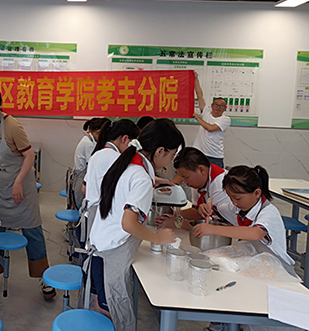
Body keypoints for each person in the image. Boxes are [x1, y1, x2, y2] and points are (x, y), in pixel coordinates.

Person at [83, 119, 184, 330]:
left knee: (103, 305)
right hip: (111, 251)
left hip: (101, 245)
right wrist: (157, 237)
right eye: (172, 154)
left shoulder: (127, 163)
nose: (171, 161)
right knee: (113, 312)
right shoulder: (140, 177)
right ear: (160, 151)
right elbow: (128, 223)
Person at [0, 85, 55, 299]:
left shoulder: (12, 126)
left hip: (21, 187)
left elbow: (29, 156)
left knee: (33, 231)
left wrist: (18, 182)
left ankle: (43, 277)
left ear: (0, 105)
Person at [194, 165, 296, 278]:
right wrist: (205, 208)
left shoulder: (268, 212)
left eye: (238, 198)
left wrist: (213, 229)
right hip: (255, 261)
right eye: (230, 197)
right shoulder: (237, 208)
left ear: (257, 193)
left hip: (277, 269)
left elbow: (255, 233)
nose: (234, 202)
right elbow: (215, 210)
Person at [81, 119, 139, 246]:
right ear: (125, 139)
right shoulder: (115, 159)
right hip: (103, 217)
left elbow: (84, 189)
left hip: (91, 212)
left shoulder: (97, 154)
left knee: (92, 251)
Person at [164, 147, 231, 227]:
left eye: (186, 177)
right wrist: (173, 215)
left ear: (201, 170)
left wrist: (180, 223)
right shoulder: (200, 181)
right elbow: (197, 211)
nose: (185, 182)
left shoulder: (221, 184)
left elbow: (223, 224)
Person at [192, 72, 230, 168]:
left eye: (222, 106)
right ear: (212, 105)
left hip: (214, 156)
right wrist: (196, 79)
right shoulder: (206, 113)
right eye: (216, 105)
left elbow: (210, 128)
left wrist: (197, 118)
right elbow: (199, 95)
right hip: (200, 154)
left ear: (225, 108)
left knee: (215, 177)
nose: (218, 107)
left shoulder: (225, 119)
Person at [70, 118, 109, 209]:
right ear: (99, 132)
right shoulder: (89, 144)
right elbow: (92, 165)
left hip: (80, 176)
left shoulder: (87, 139)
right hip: (81, 179)